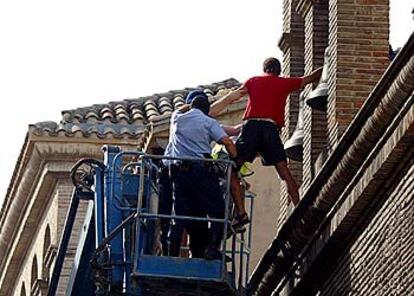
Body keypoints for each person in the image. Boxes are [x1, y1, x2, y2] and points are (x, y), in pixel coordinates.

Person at [234, 57, 322, 206]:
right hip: (270, 129)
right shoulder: (284, 83)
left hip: (251, 127)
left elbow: (235, 95)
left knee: (234, 168)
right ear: (279, 70)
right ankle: (298, 205)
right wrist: (325, 65)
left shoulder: (253, 81)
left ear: (264, 70)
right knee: (284, 172)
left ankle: (239, 210)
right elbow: (309, 78)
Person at [164, 92, 238, 260]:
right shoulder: (208, 121)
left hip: (179, 174)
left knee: (179, 214)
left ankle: (171, 254)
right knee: (217, 209)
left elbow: (178, 109)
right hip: (201, 172)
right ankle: (212, 248)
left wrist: (189, 106)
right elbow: (227, 142)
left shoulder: (176, 118)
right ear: (205, 110)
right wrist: (234, 158)